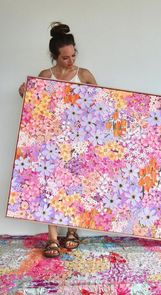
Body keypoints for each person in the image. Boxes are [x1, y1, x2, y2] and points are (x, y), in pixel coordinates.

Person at [19, 22, 97, 258]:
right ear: (55, 56)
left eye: (73, 56)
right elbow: (36, 106)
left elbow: (100, 105)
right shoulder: (46, 76)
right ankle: (52, 237)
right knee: (50, 186)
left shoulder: (84, 75)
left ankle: (72, 231)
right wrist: (25, 92)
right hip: (51, 141)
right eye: (65, 58)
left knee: (76, 185)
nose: (70, 61)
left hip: (77, 141)